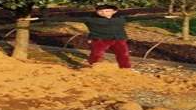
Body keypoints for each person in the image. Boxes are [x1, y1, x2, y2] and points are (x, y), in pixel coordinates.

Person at [26, 5, 177, 69]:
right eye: (103, 11)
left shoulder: (121, 19)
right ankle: (93, 67)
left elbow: (143, 18)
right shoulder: (90, 19)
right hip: (100, 40)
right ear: (98, 12)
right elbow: (61, 19)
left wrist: (165, 15)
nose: (106, 13)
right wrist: (37, 19)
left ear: (114, 11)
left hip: (119, 39)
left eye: (109, 11)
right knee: (96, 54)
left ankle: (125, 70)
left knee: (123, 55)